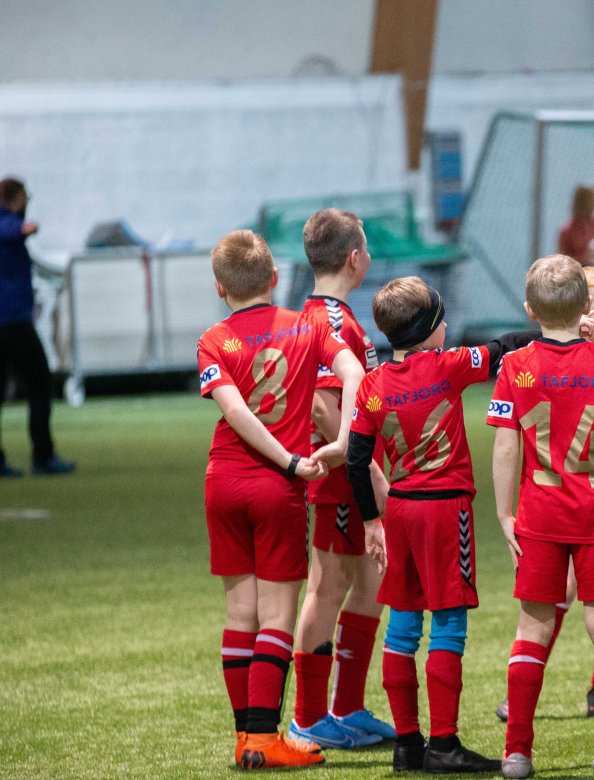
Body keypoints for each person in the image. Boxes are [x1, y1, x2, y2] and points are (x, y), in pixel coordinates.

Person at [346, 277, 535, 773]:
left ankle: (408, 744)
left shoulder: (371, 386)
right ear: (429, 329)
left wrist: (370, 521)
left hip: (400, 511)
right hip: (446, 510)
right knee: (449, 624)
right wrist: (554, 330)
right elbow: (504, 347)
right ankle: (445, 745)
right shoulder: (449, 365)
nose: (448, 326)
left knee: (402, 626)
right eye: (442, 319)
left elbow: (356, 459)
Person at [196, 229, 366, 769]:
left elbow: (235, 412)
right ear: (274, 277)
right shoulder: (308, 325)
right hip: (276, 488)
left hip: (223, 482)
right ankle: (265, 738)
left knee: (239, 614)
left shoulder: (213, 338)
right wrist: (336, 445)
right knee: (275, 617)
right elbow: (355, 372)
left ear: (220, 287)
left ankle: (245, 738)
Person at [488, 255, 594, 778]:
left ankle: (517, 753)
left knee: (533, 626)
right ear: (584, 309)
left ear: (530, 309)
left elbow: (505, 448)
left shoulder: (515, 366)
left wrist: (504, 514)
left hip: (539, 515)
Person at [289, 209, 395, 750]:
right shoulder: (334, 322)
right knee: (327, 588)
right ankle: (308, 718)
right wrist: (367, 470)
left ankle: (347, 707)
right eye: (367, 248)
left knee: (371, 585)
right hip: (338, 481)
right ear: (355, 259)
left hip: (346, 477)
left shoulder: (322, 315)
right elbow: (323, 407)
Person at [0, 177, 74, 477]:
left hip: (10, 321)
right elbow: (14, 229)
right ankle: (43, 456)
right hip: (13, 323)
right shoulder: (7, 222)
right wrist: (24, 226)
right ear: (16, 198)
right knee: (41, 383)